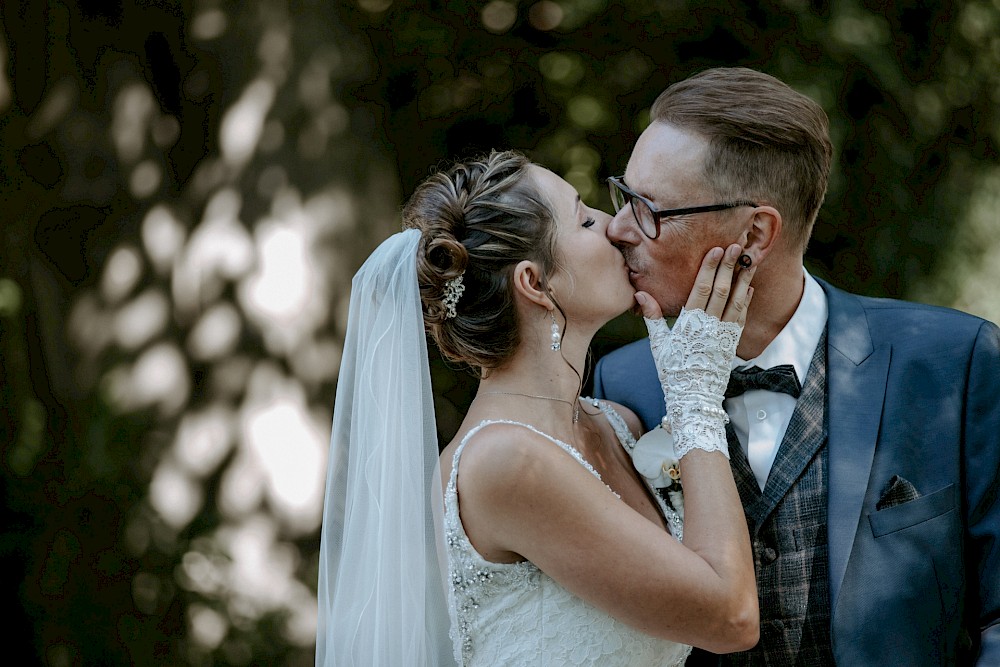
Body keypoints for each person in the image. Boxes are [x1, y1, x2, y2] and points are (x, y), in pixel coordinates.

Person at [593, 66, 1000, 666]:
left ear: (755, 234)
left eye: (650, 208)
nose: (618, 228)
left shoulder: (954, 365)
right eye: (622, 196)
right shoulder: (619, 386)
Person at [316, 150, 760, 666]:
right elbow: (730, 617)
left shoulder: (617, 425)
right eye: (585, 218)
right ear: (535, 283)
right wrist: (696, 401)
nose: (615, 225)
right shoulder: (504, 463)